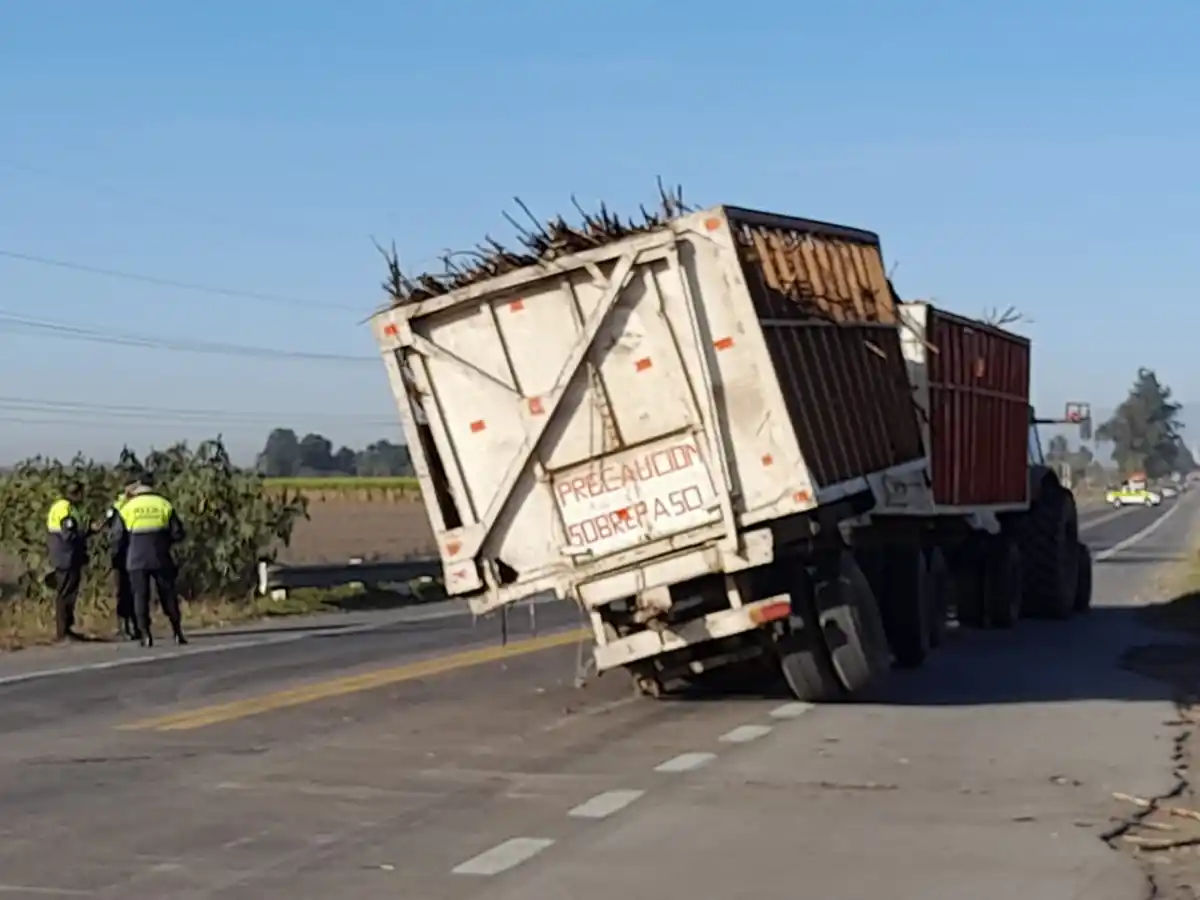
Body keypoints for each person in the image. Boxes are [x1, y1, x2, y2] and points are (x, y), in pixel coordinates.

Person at [109, 473, 188, 647]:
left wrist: (118, 555)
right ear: (154, 485)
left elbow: (116, 536)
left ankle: (145, 635)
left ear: (138, 486)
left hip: (136, 558)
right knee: (167, 594)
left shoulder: (127, 507)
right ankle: (177, 631)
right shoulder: (164, 504)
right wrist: (164, 540)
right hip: (160, 556)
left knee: (140, 596)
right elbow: (178, 533)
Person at [46, 483, 88, 642]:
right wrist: (84, 533)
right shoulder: (64, 509)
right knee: (65, 594)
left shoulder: (66, 507)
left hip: (68, 556)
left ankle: (67, 629)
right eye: (81, 494)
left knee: (70, 593)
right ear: (75, 494)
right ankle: (62, 632)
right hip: (65, 556)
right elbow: (68, 534)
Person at [104, 482, 138, 640]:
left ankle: (135, 625)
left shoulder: (130, 504)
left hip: (132, 553)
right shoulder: (120, 506)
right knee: (125, 591)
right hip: (125, 553)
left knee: (134, 591)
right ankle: (125, 625)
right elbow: (115, 534)